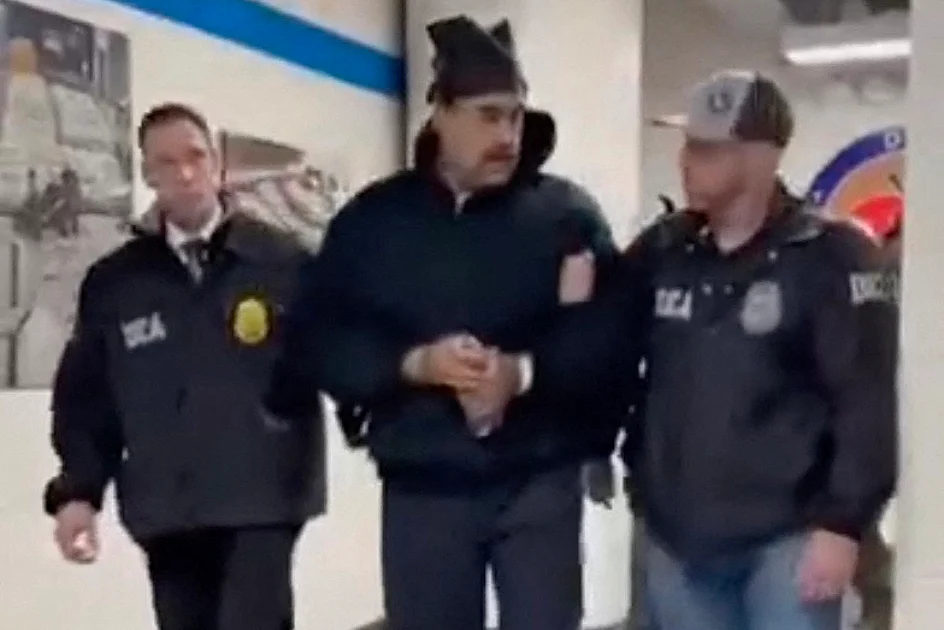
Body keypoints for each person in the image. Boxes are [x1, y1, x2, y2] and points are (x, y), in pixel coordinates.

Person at [265, 15, 637, 630]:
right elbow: (318, 337)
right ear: (440, 112)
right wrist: (413, 364)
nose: (508, 136)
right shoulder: (374, 222)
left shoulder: (565, 217)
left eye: (515, 116)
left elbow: (609, 337)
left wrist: (521, 373)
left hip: (538, 479)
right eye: (488, 116)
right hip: (424, 481)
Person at [616, 70, 898, 630]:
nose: (686, 161)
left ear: (759, 156)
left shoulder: (830, 256)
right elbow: (604, 348)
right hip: (677, 539)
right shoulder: (666, 249)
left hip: (788, 542)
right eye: (687, 146)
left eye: (706, 149)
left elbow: (865, 401)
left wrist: (843, 526)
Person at [42, 102, 325, 630]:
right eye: (167, 163)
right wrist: (78, 493)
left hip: (262, 497)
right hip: (169, 508)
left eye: (195, 157)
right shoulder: (116, 283)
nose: (186, 174)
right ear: (148, 174)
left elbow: (340, 355)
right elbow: (87, 399)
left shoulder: (282, 261)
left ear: (217, 163)